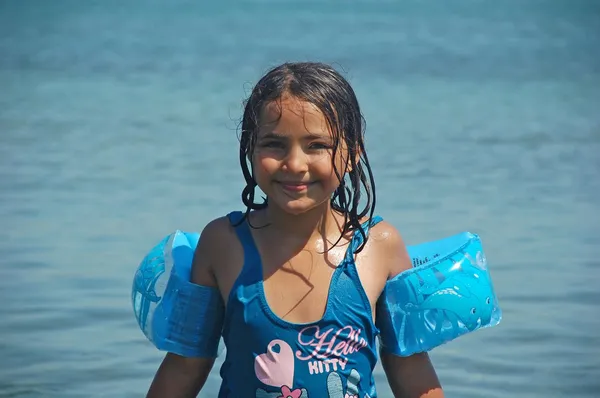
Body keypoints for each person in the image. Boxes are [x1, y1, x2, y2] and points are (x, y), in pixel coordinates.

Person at [146, 61, 444, 398]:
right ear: (250, 148)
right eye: (273, 144)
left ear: (353, 152)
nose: (294, 164)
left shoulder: (379, 245)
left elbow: (411, 366)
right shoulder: (223, 243)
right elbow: (185, 365)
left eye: (317, 145)